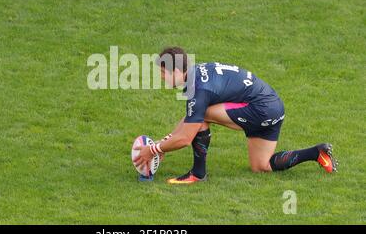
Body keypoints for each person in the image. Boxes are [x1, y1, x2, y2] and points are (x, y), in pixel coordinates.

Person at [134, 47, 337, 184]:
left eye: (163, 73)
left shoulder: (198, 90)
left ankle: (197, 174)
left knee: (202, 115)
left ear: (177, 71)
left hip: (260, 109)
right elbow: (189, 120)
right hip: (274, 106)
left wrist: (153, 149)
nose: (162, 78)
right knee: (261, 166)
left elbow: (186, 137)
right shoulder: (199, 72)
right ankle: (316, 153)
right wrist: (162, 144)